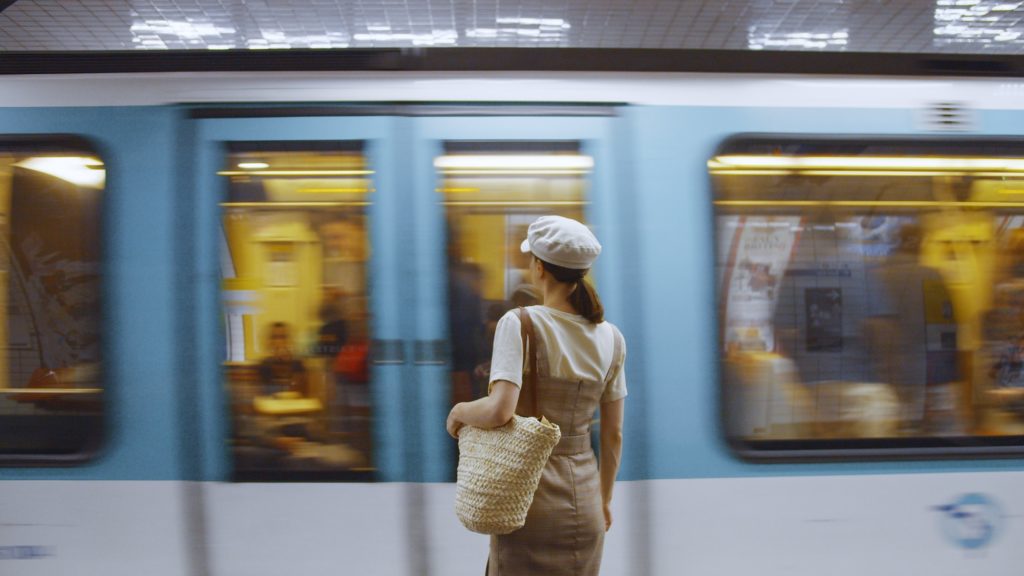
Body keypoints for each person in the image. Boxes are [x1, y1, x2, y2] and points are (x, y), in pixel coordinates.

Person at [446, 216, 627, 576]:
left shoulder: (521, 323)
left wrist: (459, 412)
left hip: (528, 501)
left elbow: (500, 411)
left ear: (540, 267)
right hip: (586, 502)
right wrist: (604, 501)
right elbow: (612, 435)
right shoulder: (613, 338)